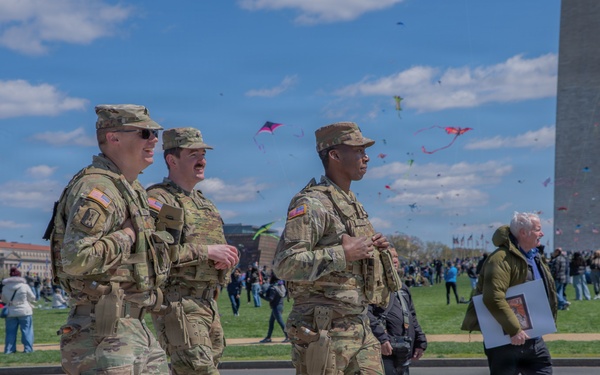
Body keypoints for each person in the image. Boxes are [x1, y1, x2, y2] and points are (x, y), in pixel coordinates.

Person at [44, 104, 172, 374]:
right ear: (113, 137)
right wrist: (126, 235)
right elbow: (77, 259)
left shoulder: (130, 187)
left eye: (154, 133)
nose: (154, 140)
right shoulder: (98, 188)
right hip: (102, 331)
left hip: (134, 326)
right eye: (145, 133)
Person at [274, 121, 400, 375]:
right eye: (357, 150)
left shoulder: (351, 203)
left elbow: (358, 258)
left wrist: (380, 252)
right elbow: (285, 263)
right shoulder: (312, 203)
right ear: (334, 155)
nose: (366, 157)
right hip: (324, 329)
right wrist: (343, 254)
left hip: (359, 324)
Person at [147, 127, 239, 375]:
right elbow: (159, 254)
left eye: (203, 154)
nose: (202, 160)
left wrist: (226, 260)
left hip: (208, 303)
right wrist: (208, 252)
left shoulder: (203, 203)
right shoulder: (162, 199)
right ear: (171, 160)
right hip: (180, 304)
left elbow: (213, 249)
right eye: (193, 154)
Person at [461, 212, 557, 375]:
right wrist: (514, 329)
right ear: (523, 233)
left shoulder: (535, 256)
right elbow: (493, 297)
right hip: (506, 340)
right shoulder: (500, 258)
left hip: (533, 338)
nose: (542, 233)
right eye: (538, 229)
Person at [369, 248, 427, 375]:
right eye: (390, 257)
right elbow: (366, 315)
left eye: (396, 257)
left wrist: (420, 341)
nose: (394, 260)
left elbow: (411, 315)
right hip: (383, 352)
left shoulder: (402, 287)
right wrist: (382, 339)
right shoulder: (373, 287)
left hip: (403, 351)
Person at [2, 267, 36, 354]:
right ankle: (28, 349)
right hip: (24, 310)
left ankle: (9, 349)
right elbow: (32, 297)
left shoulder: (5, 287)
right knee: (26, 331)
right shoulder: (24, 286)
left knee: (10, 332)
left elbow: (4, 300)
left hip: (10, 311)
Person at [259, 273, 290, 343]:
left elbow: (270, 298)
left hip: (276, 307)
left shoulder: (273, 288)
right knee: (271, 322)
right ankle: (268, 337)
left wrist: (262, 296)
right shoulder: (281, 286)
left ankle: (288, 336)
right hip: (280, 305)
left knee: (281, 322)